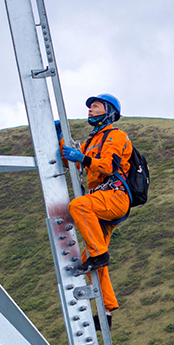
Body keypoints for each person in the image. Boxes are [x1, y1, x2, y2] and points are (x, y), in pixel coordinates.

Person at [58, 93, 132, 329]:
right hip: (101, 202)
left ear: (108, 111)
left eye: (96, 106)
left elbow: (109, 165)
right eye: (90, 107)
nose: (90, 110)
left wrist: (83, 157)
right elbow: (74, 164)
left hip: (114, 197)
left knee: (78, 205)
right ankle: (107, 313)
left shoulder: (115, 136)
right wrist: (60, 140)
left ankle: (99, 256)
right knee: (94, 262)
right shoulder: (93, 141)